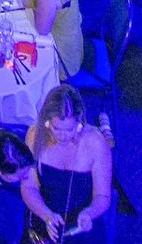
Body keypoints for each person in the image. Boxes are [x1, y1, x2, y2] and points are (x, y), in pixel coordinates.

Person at [22, 86, 112, 243]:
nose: (63, 136)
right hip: (43, 217)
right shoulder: (34, 135)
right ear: (47, 122)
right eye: (56, 129)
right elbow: (29, 187)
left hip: (82, 223)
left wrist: (90, 213)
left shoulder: (96, 143)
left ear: (79, 122)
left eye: (70, 130)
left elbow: (102, 195)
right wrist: (46, 215)